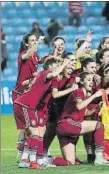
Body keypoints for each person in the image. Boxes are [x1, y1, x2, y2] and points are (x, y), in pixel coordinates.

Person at [14, 58, 70, 169]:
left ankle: (30, 160)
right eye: (55, 65)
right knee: (34, 132)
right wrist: (65, 63)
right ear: (49, 67)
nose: (57, 67)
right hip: (25, 104)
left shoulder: (42, 75)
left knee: (36, 132)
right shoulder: (46, 73)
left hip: (28, 105)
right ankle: (33, 160)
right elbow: (54, 73)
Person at [53, 72, 109, 166]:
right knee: (99, 125)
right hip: (68, 124)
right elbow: (79, 106)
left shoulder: (83, 95)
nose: (91, 83)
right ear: (81, 81)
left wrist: (97, 107)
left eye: (92, 81)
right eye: (88, 80)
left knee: (70, 162)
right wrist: (95, 95)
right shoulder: (79, 91)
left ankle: (48, 160)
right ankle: (99, 157)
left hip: (63, 127)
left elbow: (85, 113)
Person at [12, 34, 44, 162]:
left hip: (29, 93)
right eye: (32, 41)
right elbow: (28, 55)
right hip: (20, 93)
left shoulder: (36, 56)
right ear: (26, 44)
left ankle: (26, 149)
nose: (35, 42)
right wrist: (39, 44)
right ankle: (23, 149)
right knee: (25, 125)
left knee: (30, 124)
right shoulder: (23, 55)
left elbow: (42, 61)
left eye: (35, 40)